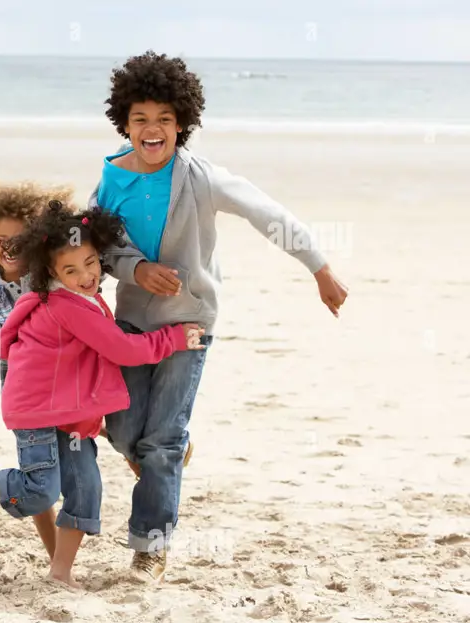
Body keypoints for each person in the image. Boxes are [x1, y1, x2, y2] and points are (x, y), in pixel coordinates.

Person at [89, 50, 350, 583]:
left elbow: (266, 212)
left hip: (189, 324)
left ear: (181, 123)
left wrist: (318, 266)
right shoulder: (111, 178)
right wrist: (136, 270)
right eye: (140, 118)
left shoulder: (201, 179)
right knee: (121, 430)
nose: (152, 129)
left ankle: (150, 546)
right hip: (133, 323)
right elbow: (98, 244)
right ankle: (178, 450)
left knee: (158, 442)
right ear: (125, 122)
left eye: (164, 118)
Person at [0, 201, 205, 587]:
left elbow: (86, 364)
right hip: (38, 413)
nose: (85, 275)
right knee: (40, 492)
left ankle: (59, 572)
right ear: (50, 273)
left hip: (69, 415)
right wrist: (175, 338)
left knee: (87, 490)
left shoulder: (84, 299)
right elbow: (123, 350)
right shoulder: (66, 305)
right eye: (71, 271)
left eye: (90, 263)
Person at [0, 179, 74, 559]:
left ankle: (144, 454)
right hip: (27, 397)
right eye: (0, 239)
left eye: (19, 239)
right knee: (40, 477)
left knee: (74, 460)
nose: (9, 247)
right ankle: (56, 555)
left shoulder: (50, 276)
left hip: (68, 385)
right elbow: (2, 347)